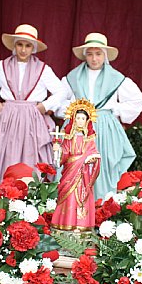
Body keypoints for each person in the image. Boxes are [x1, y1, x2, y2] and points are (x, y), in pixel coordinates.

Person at [0, 24, 65, 201]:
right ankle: (3, 198)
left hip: (32, 119)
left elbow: (61, 92)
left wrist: (44, 106)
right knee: (4, 156)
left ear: (34, 48)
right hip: (8, 118)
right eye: (20, 45)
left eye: (28, 45)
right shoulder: (3, 66)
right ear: (14, 45)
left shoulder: (43, 69)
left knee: (31, 158)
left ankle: (30, 200)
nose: (23, 49)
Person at [59, 32, 142, 200]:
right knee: (74, 166)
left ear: (104, 55)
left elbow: (137, 100)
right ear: (85, 56)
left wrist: (116, 109)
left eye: (98, 54)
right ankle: (72, 210)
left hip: (104, 128)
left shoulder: (116, 78)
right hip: (78, 127)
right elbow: (58, 99)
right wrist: (72, 110)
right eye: (90, 54)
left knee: (103, 165)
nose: (94, 58)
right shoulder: (73, 77)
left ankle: (100, 207)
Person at [51, 99, 100, 231]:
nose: (79, 121)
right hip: (69, 173)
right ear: (73, 119)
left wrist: (88, 159)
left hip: (83, 177)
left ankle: (81, 226)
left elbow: (94, 155)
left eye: (82, 118)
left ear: (87, 121)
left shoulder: (89, 139)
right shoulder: (68, 138)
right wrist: (58, 150)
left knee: (81, 199)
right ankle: (65, 224)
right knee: (68, 198)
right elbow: (64, 155)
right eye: (77, 118)